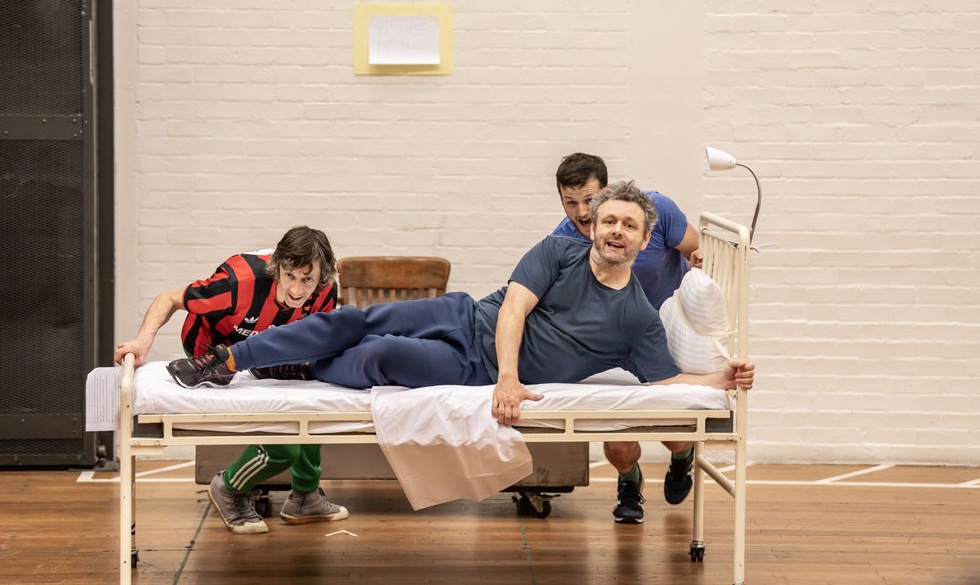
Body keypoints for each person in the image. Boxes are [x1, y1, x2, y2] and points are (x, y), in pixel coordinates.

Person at [166, 184, 755, 485]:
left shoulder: (636, 319)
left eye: (629, 223)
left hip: (466, 370)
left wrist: (719, 377)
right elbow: (514, 311)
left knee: (381, 356)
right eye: (608, 220)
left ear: (646, 234)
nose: (616, 230)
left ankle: (301, 365)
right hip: (466, 319)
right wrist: (509, 378)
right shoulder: (558, 251)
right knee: (353, 320)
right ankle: (228, 359)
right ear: (594, 226)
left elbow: (666, 381)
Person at [114, 226, 349, 535]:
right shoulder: (238, 282)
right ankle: (228, 487)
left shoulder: (324, 292)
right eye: (289, 276)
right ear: (277, 266)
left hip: (267, 346)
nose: (296, 289)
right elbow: (169, 298)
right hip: (212, 346)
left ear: (322, 278)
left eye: (307, 279)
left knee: (313, 407)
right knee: (284, 449)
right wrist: (142, 342)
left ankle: (306, 495)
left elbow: (317, 338)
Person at [552, 153, 702, 523]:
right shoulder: (564, 240)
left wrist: (702, 288)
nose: (582, 212)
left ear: (607, 191)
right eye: (570, 202)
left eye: (589, 200)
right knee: (619, 438)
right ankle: (629, 482)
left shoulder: (655, 210)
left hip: (667, 332)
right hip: (616, 340)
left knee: (673, 433)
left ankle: (682, 457)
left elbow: (699, 251)